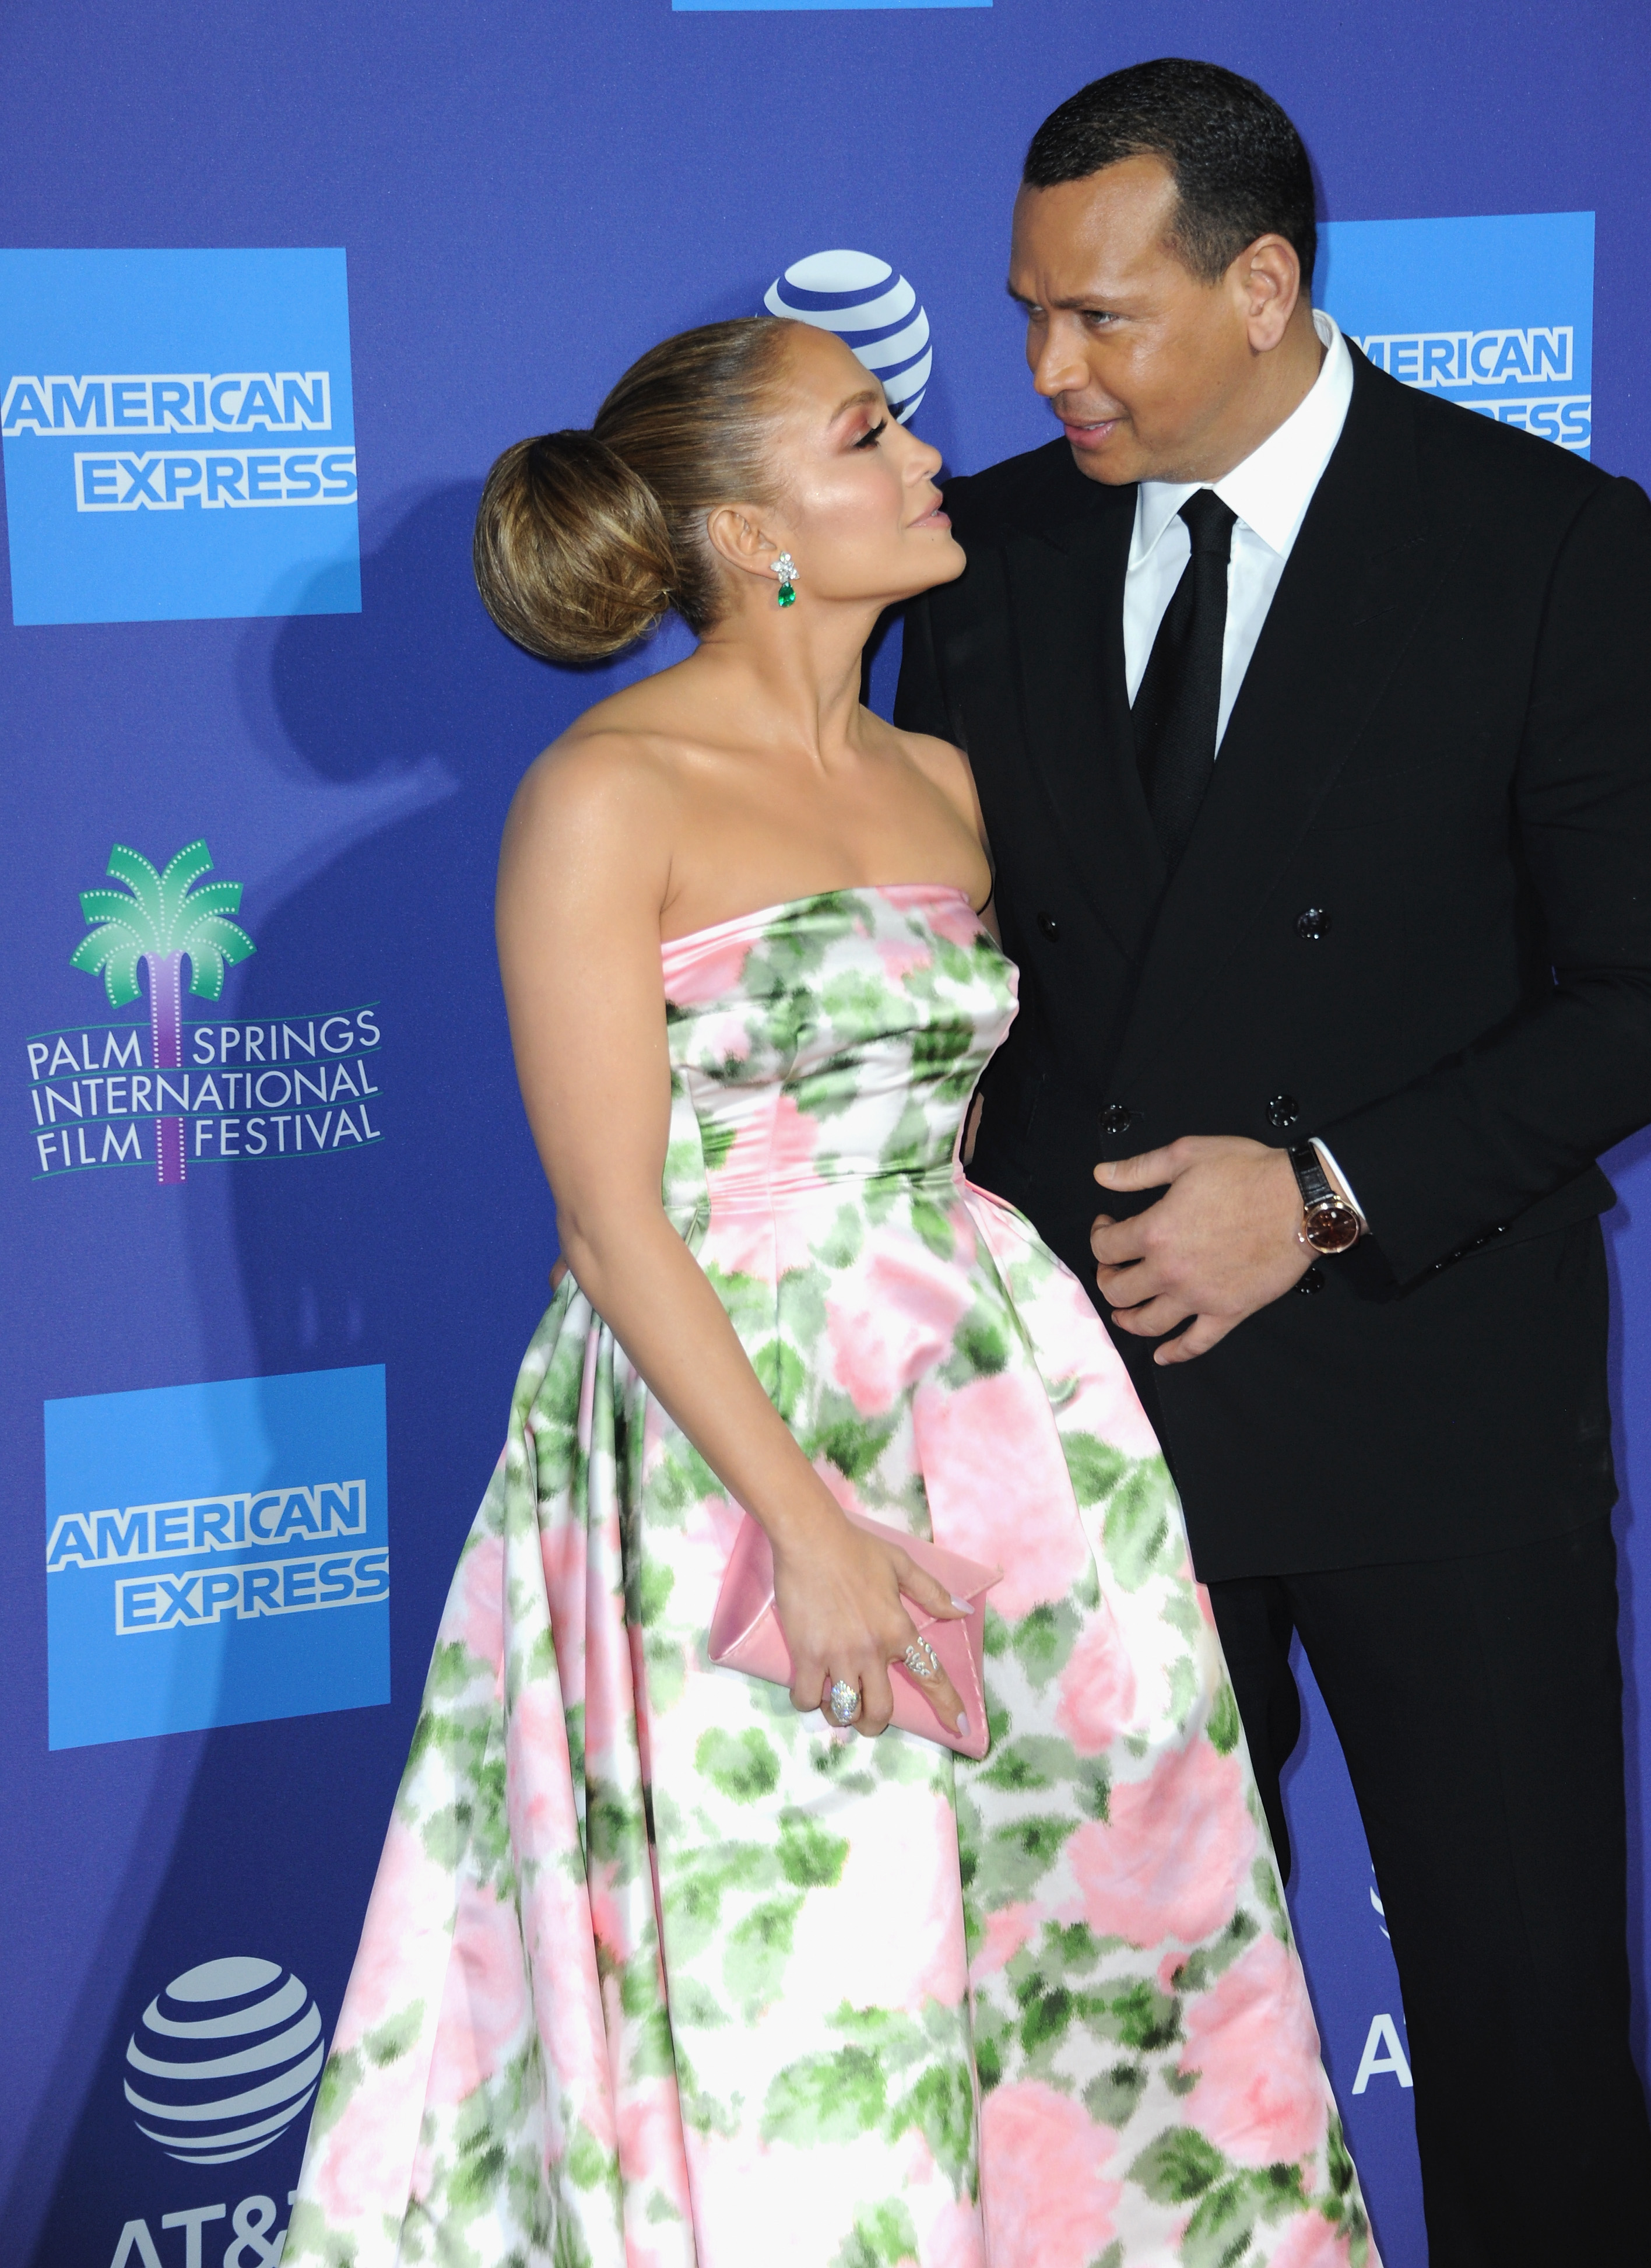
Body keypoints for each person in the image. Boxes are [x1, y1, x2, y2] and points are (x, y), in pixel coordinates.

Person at [284, 313, 1377, 2268]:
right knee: (799, 1991)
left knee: (1073, 1966)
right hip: (735, 1444)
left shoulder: (947, 782)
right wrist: (810, 1528)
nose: (928, 456)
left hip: (1002, 1415)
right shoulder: (605, 793)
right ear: (740, 532)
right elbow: (612, 1221)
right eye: (868, 436)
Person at [894, 54, 1651, 2266]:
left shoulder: (1550, 549)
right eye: (1027, 311)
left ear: (1264, 286)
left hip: (1434, 1410)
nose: (1045, 371)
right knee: (1117, 2041)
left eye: (1099, 320)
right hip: (1095, 1437)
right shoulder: (998, 547)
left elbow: (1632, 993)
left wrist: (1323, 1188)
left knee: (1520, 2023)